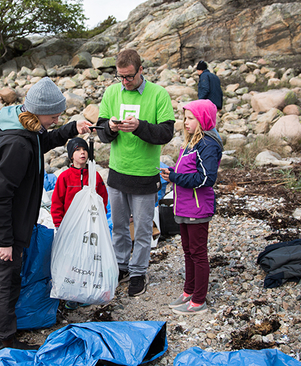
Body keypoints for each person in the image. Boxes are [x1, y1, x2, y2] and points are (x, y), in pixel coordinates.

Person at [0, 77, 92, 350]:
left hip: (11, 218)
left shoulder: (28, 128)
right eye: (54, 115)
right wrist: (5, 240)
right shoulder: (18, 144)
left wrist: (72, 128)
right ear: (38, 111)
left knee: (3, 273)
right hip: (5, 221)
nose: (56, 118)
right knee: (8, 278)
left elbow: (44, 141)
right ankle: (5, 338)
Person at [96, 49, 175, 297]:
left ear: (141, 70)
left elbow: (166, 133)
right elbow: (100, 133)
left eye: (129, 76)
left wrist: (140, 126)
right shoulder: (111, 93)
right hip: (118, 172)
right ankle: (121, 266)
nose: (125, 81)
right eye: (120, 77)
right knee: (118, 226)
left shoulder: (158, 95)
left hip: (144, 173)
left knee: (141, 229)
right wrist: (109, 128)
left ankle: (138, 271)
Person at [159, 99, 223, 315]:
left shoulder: (208, 144)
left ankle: (199, 300)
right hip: (184, 207)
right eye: (185, 118)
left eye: (190, 118)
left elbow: (206, 178)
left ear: (202, 119)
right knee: (188, 251)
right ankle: (189, 291)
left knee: (198, 253)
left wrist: (175, 177)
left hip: (197, 208)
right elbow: (185, 171)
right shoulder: (191, 144)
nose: (185, 122)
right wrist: (171, 172)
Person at [50, 136, 109, 310]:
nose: (82, 152)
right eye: (77, 150)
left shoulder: (94, 176)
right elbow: (57, 202)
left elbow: (102, 198)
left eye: (84, 149)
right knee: (72, 259)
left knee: (90, 257)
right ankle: (72, 293)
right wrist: (58, 223)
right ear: (71, 156)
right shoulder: (65, 177)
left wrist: (100, 219)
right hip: (70, 226)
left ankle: (89, 289)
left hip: (90, 226)